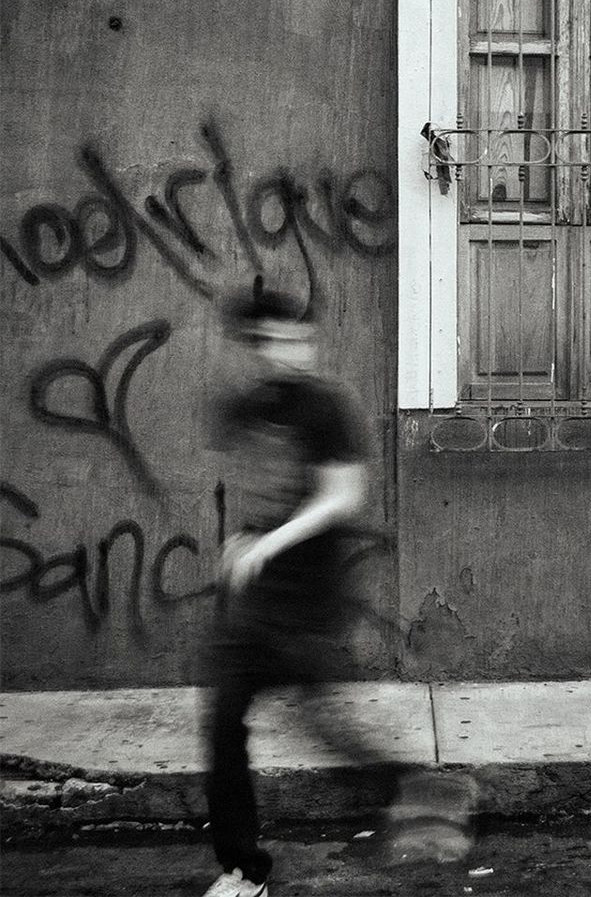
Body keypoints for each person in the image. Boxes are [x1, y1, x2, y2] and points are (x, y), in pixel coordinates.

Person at [201, 283, 372, 897]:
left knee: (328, 730)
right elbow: (253, 479)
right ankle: (244, 872)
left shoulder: (329, 406)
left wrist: (269, 543)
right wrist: (242, 541)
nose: (292, 350)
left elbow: (343, 496)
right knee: (222, 725)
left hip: (305, 605)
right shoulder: (251, 404)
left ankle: (411, 791)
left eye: (299, 338)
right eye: (276, 340)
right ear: (259, 346)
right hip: (250, 607)